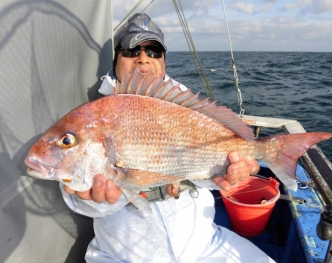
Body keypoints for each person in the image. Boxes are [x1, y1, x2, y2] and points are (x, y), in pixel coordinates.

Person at [60, 13, 276, 263]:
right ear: (116, 58)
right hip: (122, 255)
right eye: (131, 50)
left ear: (163, 62)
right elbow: (78, 200)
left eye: (153, 52)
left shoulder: (189, 112)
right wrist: (99, 201)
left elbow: (207, 177)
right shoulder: (92, 118)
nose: (142, 59)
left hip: (204, 245)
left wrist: (229, 175)